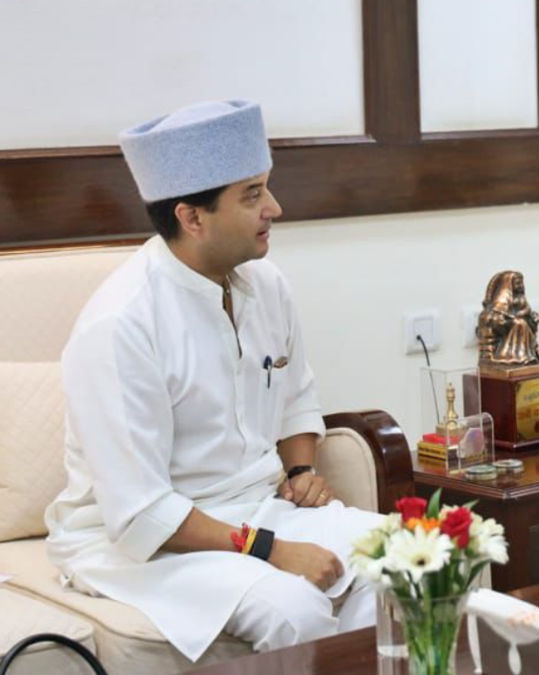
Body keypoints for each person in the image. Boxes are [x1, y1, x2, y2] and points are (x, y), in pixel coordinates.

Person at [44, 100, 384, 662]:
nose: (274, 207)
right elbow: (139, 512)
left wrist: (300, 467)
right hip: (143, 545)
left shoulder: (266, 285)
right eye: (252, 194)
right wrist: (272, 550)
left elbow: (296, 395)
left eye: (266, 187)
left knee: (412, 558)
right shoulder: (120, 325)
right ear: (192, 217)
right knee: (293, 608)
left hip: (259, 506)